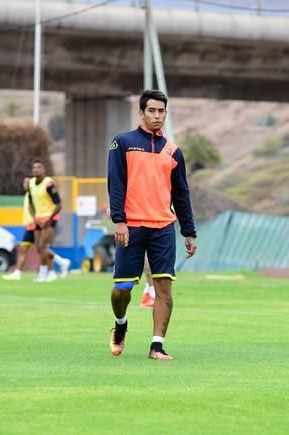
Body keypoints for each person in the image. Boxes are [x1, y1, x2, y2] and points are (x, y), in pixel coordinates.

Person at [107, 89, 197, 360]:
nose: (157, 115)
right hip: (131, 226)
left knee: (164, 288)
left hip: (162, 227)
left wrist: (189, 231)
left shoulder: (173, 151)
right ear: (141, 113)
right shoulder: (122, 143)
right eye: (152, 111)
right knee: (122, 289)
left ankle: (156, 346)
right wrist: (119, 220)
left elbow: (181, 193)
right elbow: (116, 182)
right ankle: (120, 325)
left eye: (161, 111)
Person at [3, 177, 69, 281]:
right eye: (24, 182)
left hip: (35, 225)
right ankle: (57, 266)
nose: (25, 184)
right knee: (41, 248)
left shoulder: (37, 193)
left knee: (34, 248)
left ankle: (19, 273)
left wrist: (37, 221)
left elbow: (41, 208)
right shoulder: (29, 195)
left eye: (27, 182)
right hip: (31, 224)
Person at [28, 159, 71, 283]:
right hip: (38, 219)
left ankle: (43, 275)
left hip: (50, 218)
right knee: (39, 247)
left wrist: (49, 219)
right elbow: (30, 203)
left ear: (44, 169)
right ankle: (60, 263)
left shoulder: (49, 184)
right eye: (34, 167)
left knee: (43, 245)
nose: (36, 169)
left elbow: (58, 205)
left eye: (38, 167)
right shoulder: (31, 184)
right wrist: (34, 216)